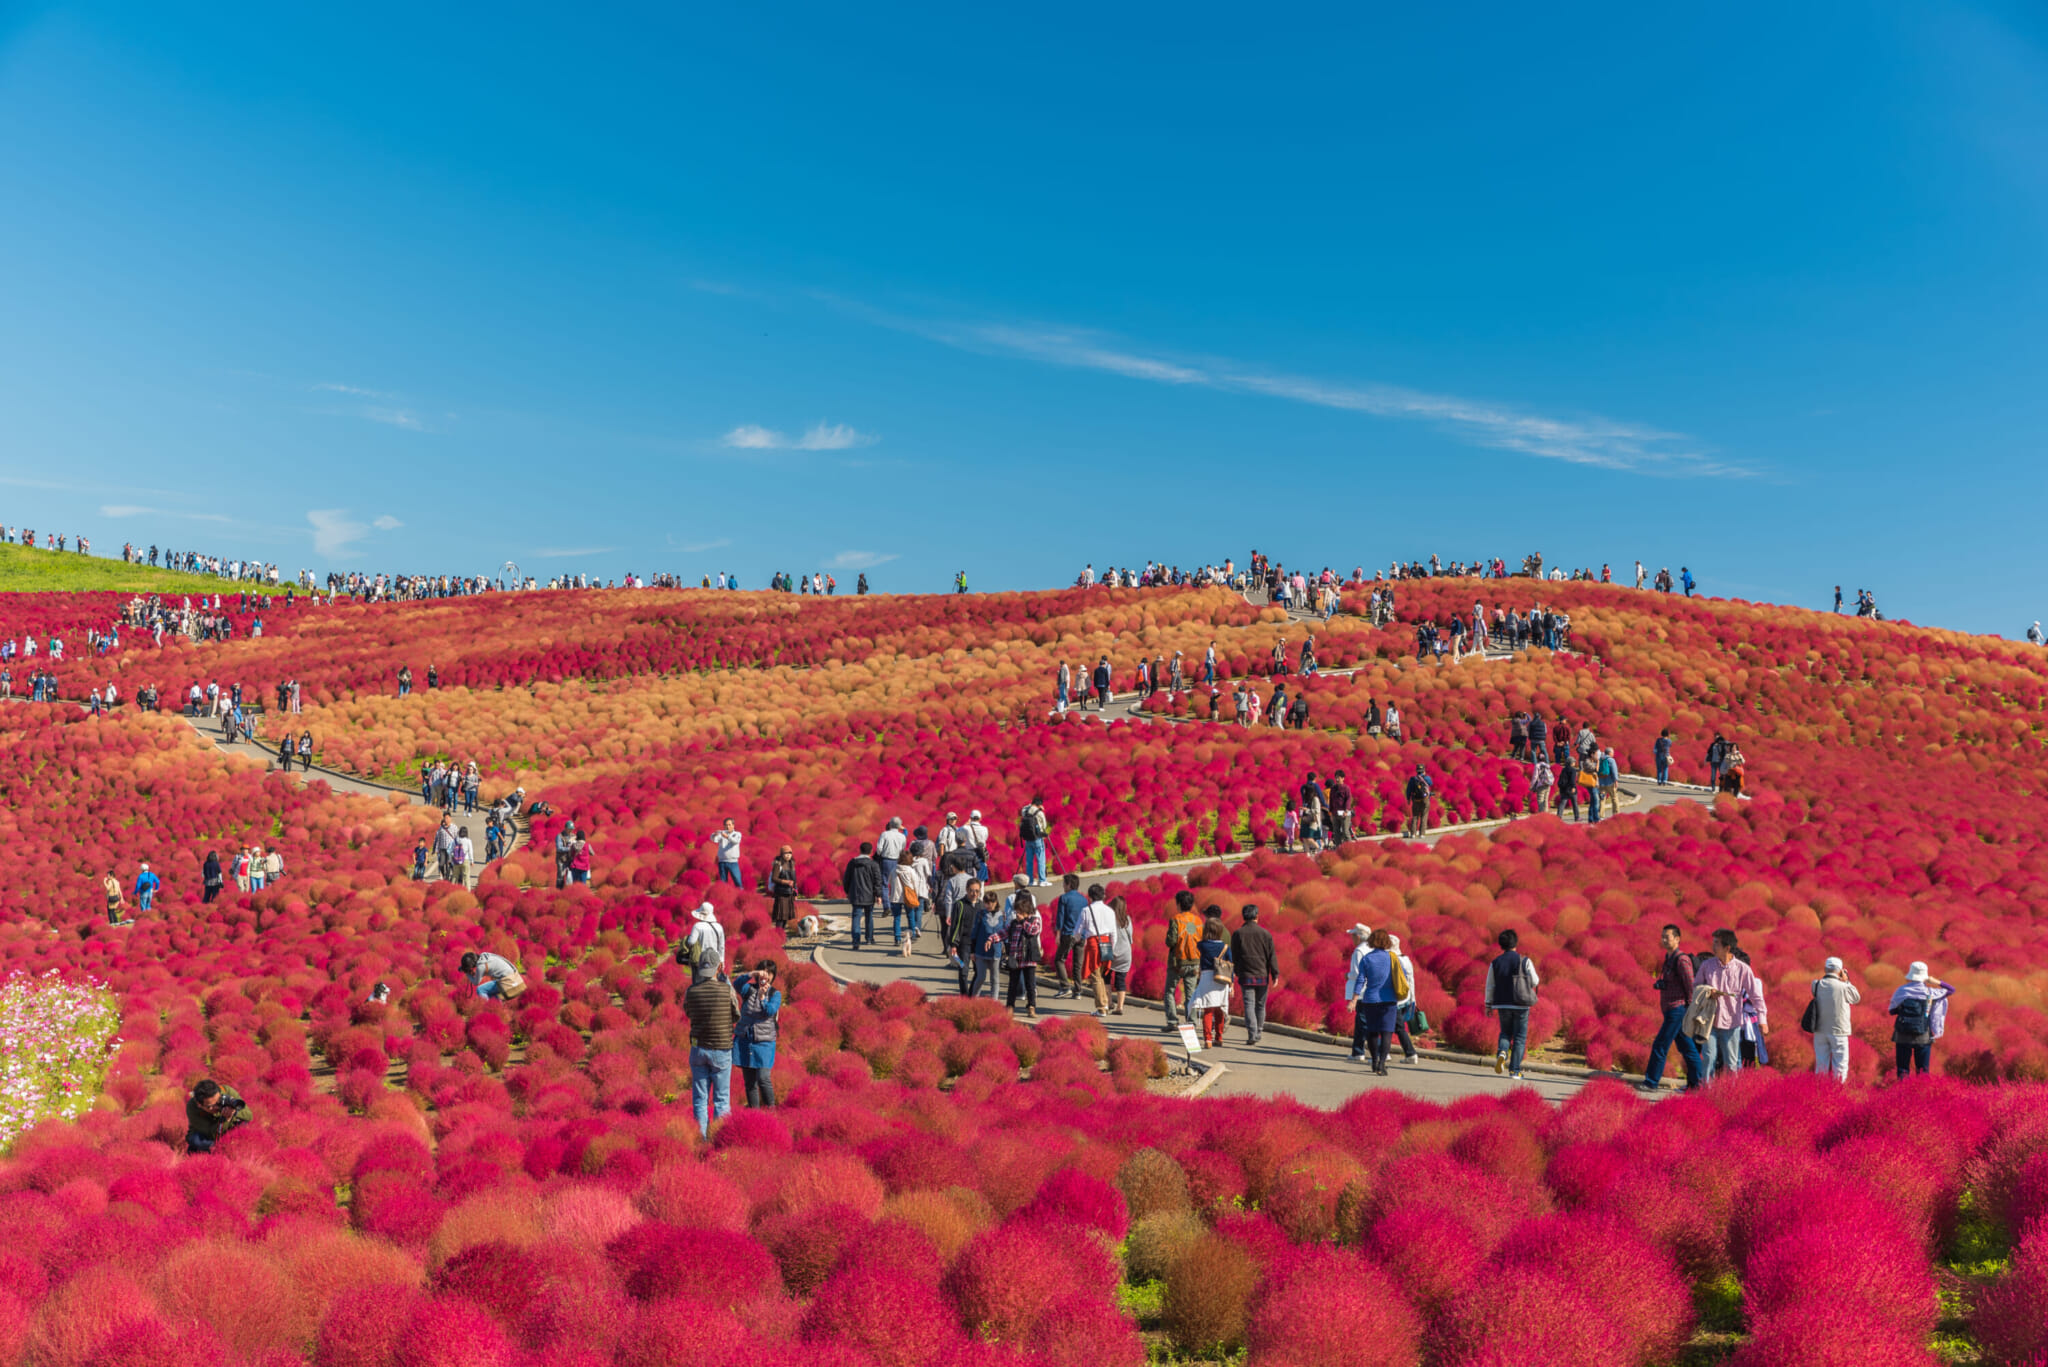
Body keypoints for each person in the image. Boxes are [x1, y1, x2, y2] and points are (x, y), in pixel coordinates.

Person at [1695, 928, 1766, 1081]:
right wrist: (1707, 991)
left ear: (1727, 948)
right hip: (1709, 1021)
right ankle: (1705, 1093)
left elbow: (1756, 996)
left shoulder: (1742, 969)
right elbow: (1696, 987)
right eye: (1713, 943)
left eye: (1717, 944)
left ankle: (1730, 1094)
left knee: (1731, 1063)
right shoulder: (1707, 966)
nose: (1713, 947)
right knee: (1708, 1058)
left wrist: (1762, 1021)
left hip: (1731, 1023)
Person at [1638, 924, 1702, 1092]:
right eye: (1663, 937)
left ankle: (1651, 1082)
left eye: (1668, 937)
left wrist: (1689, 1008)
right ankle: (1697, 1085)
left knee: (1660, 1044)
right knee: (1687, 1047)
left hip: (1678, 1010)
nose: (1664, 940)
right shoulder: (1669, 958)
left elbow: (1691, 985)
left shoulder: (1681, 959)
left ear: (1678, 939)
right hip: (1671, 1010)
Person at [683, 949, 739, 1132]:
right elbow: (736, 1015)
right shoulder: (725, 990)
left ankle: (701, 1138)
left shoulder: (691, 991)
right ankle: (719, 1138)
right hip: (721, 1049)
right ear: (719, 968)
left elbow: (689, 1013)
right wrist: (727, 981)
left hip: (698, 1049)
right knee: (721, 1099)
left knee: (700, 1099)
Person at [1481, 928, 1539, 1079]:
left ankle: (1502, 1051)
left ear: (1501, 945)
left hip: (1502, 1004)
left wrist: (1488, 1004)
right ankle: (1514, 1071)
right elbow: (1535, 981)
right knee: (1519, 1037)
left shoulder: (1495, 963)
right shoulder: (1524, 960)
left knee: (1505, 1032)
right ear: (1516, 943)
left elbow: (1490, 985)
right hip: (1520, 1003)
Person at [1888, 961, 1955, 1079]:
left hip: (1902, 1035)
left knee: (1903, 1069)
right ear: (1925, 977)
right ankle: (1921, 1093)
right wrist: (1935, 981)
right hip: (1923, 1035)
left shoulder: (1901, 991)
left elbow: (1892, 1011)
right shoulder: (1930, 992)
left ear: (1911, 975)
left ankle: (1902, 1094)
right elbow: (1951, 990)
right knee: (1923, 1071)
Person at [1345, 925, 1397, 1072]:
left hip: (1370, 1000)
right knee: (1386, 1033)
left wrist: (1354, 999)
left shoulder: (1367, 959)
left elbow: (1360, 980)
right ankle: (1382, 1063)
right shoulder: (1393, 958)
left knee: (1372, 1032)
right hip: (1389, 1000)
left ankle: (1374, 1060)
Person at [734, 960, 782, 1108]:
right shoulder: (748, 989)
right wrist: (751, 973)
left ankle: (771, 1110)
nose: (765, 975)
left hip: (764, 1042)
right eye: (762, 972)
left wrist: (762, 999)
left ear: (773, 976)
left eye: (769, 973)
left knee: (763, 1078)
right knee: (749, 1082)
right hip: (745, 1040)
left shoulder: (775, 994)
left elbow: (769, 1011)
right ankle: (754, 1113)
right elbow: (736, 984)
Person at [1229, 904, 1279, 1045]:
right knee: (1260, 1005)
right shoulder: (1265, 934)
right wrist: (1275, 974)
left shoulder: (1238, 934)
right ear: (1257, 916)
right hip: (1262, 975)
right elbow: (1271, 956)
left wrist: (1235, 973)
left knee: (1249, 1005)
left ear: (1244, 917)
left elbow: (1234, 956)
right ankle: (1259, 1031)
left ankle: (1252, 1033)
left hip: (1246, 975)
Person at [1810, 957, 1861, 1082]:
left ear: (1825, 969)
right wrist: (1847, 981)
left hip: (1820, 1030)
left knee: (1821, 1063)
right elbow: (1856, 998)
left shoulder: (1816, 984)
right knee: (1840, 1064)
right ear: (1840, 971)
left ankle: (1820, 1088)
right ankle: (1837, 1090)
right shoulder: (1844, 987)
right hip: (1839, 1031)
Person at [1162, 890, 1204, 1033]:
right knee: (1191, 993)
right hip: (1194, 962)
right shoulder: (1198, 920)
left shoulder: (1176, 920)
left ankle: (1172, 1021)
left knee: (1169, 991)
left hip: (1177, 962)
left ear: (1179, 904)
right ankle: (1191, 1022)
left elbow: (1171, 941)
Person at [1191, 913, 1233, 1048]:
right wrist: (1231, 984)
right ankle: (1219, 1037)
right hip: (1221, 979)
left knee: (1208, 1010)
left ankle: (1207, 1039)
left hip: (1206, 979)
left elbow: (1196, 944)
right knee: (1220, 1008)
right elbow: (1230, 965)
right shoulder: (1225, 947)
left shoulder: (1202, 945)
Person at [1002, 890, 1043, 1018]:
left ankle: (1031, 1006)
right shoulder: (1014, 922)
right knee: (1012, 984)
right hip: (1016, 956)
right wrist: (993, 939)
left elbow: (1034, 931)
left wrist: (1023, 921)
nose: (1017, 914)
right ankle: (1010, 1006)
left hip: (1029, 956)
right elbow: (1005, 931)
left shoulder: (1034, 919)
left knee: (1030, 984)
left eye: (1019, 911)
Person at [184, 1079, 249, 1155]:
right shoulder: (192, 1107)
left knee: (244, 1125)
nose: (217, 1107)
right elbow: (211, 1133)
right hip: (207, 1134)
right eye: (211, 1106)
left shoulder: (226, 1090)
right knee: (196, 1140)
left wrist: (234, 1112)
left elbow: (249, 1115)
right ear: (199, 1104)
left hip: (227, 1129)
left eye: (218, 1102)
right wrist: (225, 1119)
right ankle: (220, 1151)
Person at [1081, 885, 1119, 1016]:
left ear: (1090, 897)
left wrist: (1076, 939)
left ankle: (1101, 1008)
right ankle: (1105, 1004)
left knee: (1095, 976)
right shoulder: (1110, 911)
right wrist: (1111, 948)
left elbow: (1078, 929)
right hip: (1107, 943)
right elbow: (1114, 932)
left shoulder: (1086, 910)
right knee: (1101, 975)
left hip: (1093, 944)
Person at [1051, 873, 1089, 997]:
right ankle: (1078, 990)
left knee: (1059, 960)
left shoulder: (1064, 898)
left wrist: (1058, 934)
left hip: (1068, 933)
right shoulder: (1084, 899)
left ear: (1068, 884)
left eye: (1064, 884)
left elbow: (1060, 917)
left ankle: (1065, 986)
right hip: (1081, 935)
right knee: (1077, 964)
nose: (1063, 886)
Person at [842, 841, 882, 949]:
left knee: (856, 917)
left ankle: (856, 941)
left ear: (860, 850)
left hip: (856, 895)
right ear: (871, 852)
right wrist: (878, 895)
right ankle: (869, 938)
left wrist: (847, 892)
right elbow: (878, 880)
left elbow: (846, 879)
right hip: (869, 896)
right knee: (869, 917)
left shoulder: (852, 863)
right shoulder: (873, 864)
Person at [889, 848, 929, 954]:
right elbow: (915, 884)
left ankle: (897, 938)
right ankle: (912, 935)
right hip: (908, 897)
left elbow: (889, 882)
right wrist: (915, 894)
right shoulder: (910, 870)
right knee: (910, 916)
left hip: (895, 897)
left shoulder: (894, 870)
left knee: (896, 918)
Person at [967, 889, 1005, 999]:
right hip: (980, 951)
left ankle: (994, 1002)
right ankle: (974, 1000)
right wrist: (972, 951)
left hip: (996, 952)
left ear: (996, 902)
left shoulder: (1002, 915)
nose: (988, 905)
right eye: (986, 903)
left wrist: (1006, 950)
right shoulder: (980, 914)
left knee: (995, 979)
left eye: (991, 902)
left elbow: (1005, 934)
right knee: (981, 977)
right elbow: (974, 933)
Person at [460, 950, 527, 1000]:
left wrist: (467, 973)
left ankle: (489, 1009)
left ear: (471, 966)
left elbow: (475, 982)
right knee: (492, 995)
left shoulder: (481, 967)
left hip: (508, 983)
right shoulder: (485, 956)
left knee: (480, 990)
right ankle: (497, 1007)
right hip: (517, 979)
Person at [1107, 896, 1134, 1016]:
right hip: (1125, 953)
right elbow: (1130, 937)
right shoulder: (1127, 919)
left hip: (1111, 951)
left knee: (1105, 976)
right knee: (1120, 980)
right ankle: (1120, 1007)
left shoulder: (1108, 919)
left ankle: (1109, 1002)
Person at [685, 903, 728, 977]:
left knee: (698, 984)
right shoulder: (719, 927)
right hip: (715, 960)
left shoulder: (697, 926)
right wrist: (722, 962)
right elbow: (721, 947)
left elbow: (691, 942)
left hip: (700, 960)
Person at [1019, 796, 1051, 884]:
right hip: (1037, 838)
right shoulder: (1039, 813)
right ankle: (1042, 880)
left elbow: (1023, 809)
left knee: (1029, 861)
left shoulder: (1025, 811)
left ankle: (1030, 881)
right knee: (1040, 859)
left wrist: (1031, 805)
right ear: (1039, 805)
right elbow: (1044, 826)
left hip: (1027, 839)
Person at [768, 846, 798, 930]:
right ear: (781, 854)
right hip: (781, 893)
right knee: (780, 916)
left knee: (786, 916)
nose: (788, 855)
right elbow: (774, 878)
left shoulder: (792, 864)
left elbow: (794, 880)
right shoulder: (778, 865)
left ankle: (782, 933)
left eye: (789, 853)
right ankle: (778, 933)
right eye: (785, 853)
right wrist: (786, 882)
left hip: (789, 893)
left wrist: (795, 892)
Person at [1403, 765, 1433, 839]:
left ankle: (1413, 834)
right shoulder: (1427, 778)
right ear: (1423, 770)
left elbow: (1408, 790)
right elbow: (1430, 784)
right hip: (1425, 799)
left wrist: (1408, 799)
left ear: (1416, 771)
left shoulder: (1412, 779)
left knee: (1415, 816)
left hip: (1416, 799)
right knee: (1424, 816)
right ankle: (1421, 834)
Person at [712, 818, 744, 887]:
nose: (728, 827)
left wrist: (727, 837)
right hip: (722, 862)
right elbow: (714, 840)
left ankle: (741, 894)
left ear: (733, 825)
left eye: (729, 825)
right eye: (726, 825)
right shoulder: (722, 833)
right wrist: (714, 835)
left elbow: (736, 841)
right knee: (723, 883)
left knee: (737, 881)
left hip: (733, 862)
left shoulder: (737, 834)